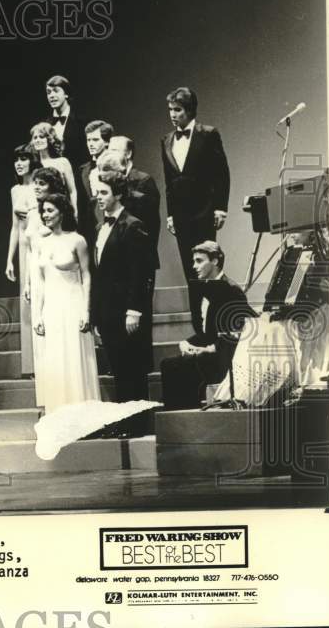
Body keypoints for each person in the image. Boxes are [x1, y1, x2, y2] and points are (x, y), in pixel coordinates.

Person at [160, 86, 231, 332]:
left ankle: (215, 325)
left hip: (204, 211)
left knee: (206, 267)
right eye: (170, 110)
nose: (172, 114)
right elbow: (169, 182)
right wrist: (169, 214)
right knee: (190, 271)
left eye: (177, 110)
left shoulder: (208, 134)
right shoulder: (167, 140)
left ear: (189, 110)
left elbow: (222, 174)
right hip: (180, 216)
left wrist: (221, 208)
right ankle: (198, 329)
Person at [90, 171, 153, 436]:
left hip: (126, 311)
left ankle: (137, 424)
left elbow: (140, 273)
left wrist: (134, 310)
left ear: (118, 194)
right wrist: (95, 316)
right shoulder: (100, 227)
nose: (98, 197)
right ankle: (124, 421)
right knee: (118, 368)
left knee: (132, 368)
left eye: (104, 192)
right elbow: (99, 275)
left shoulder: (133, 225)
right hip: (107, 311)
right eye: (97, 192)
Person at [160, 242, 256, 410]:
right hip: (214, 352)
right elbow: (208, 332)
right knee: (169, 364)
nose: (194, 266)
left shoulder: (231, 290)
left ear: (215, 261)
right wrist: (187, 342)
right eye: (194, 261)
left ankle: (186, 422)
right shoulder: (207, 288)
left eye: (199, 261)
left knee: (174, 367)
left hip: (227, 358)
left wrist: (206, 349)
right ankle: (181, 421)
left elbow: (233, 335)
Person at [31, 194, 101, 412]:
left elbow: (87, 276)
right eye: (43, 211)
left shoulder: (77, 240)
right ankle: (59, 412)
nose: (45, 215)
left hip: (73, 303)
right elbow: (40, 282)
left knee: (75, 358)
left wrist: (86, 311)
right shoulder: (41, 243)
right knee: (56, 359)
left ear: (62, 212)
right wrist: (39, 314)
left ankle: (82, 413)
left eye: (50, 210)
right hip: (51, 306)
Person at [22, 165, 72, 393]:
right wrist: (27, 281)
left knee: (54, 329)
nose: (36, 188)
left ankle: (62, 388)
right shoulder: (34, 213)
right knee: (39, 330)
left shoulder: (58, 212)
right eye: (35, 183)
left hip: (54, 272)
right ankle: (46, 392)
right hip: (35, 269)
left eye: (42, 183)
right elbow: (29, 250)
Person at [104, 136, 161, 273]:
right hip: (116, 254)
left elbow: (151, 222)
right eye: (109, 151)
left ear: (128, 154)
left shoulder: (144, 180)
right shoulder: (107, 182)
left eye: (115, 150)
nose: (109, 155)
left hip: (138, 255)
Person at [5, 144, 39, 376]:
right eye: (16, 159)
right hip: (24, 248)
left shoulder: (40, 185)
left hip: (40, 243)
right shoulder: (15, 190)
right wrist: (9, 259)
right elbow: (15, 227)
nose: (19, 163)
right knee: (27, 300)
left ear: (32, 161)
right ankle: (30, 364)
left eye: (24, 159)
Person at [29, 121, 78, 219]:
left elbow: (72, 191)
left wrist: (75, 212)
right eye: (35, 138)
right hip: (39, 212)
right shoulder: (32, 166)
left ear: (49, 139)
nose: (38, 140)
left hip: (60, 211)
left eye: (41, 137)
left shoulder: (62, 162)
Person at [43, 74, 89, 173]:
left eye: (56, 91)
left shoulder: (83, 123)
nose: (51, 95)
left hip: (78, 179)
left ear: (66, 94)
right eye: (48, 92)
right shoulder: (44, 126)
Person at [78, 120, 114, 240]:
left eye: (95, 140)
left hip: (111, 219)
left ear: (107, 142)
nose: (91, 144)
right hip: (89, 225)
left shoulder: (116, 165)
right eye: (88, 140)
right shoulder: (83, 169)